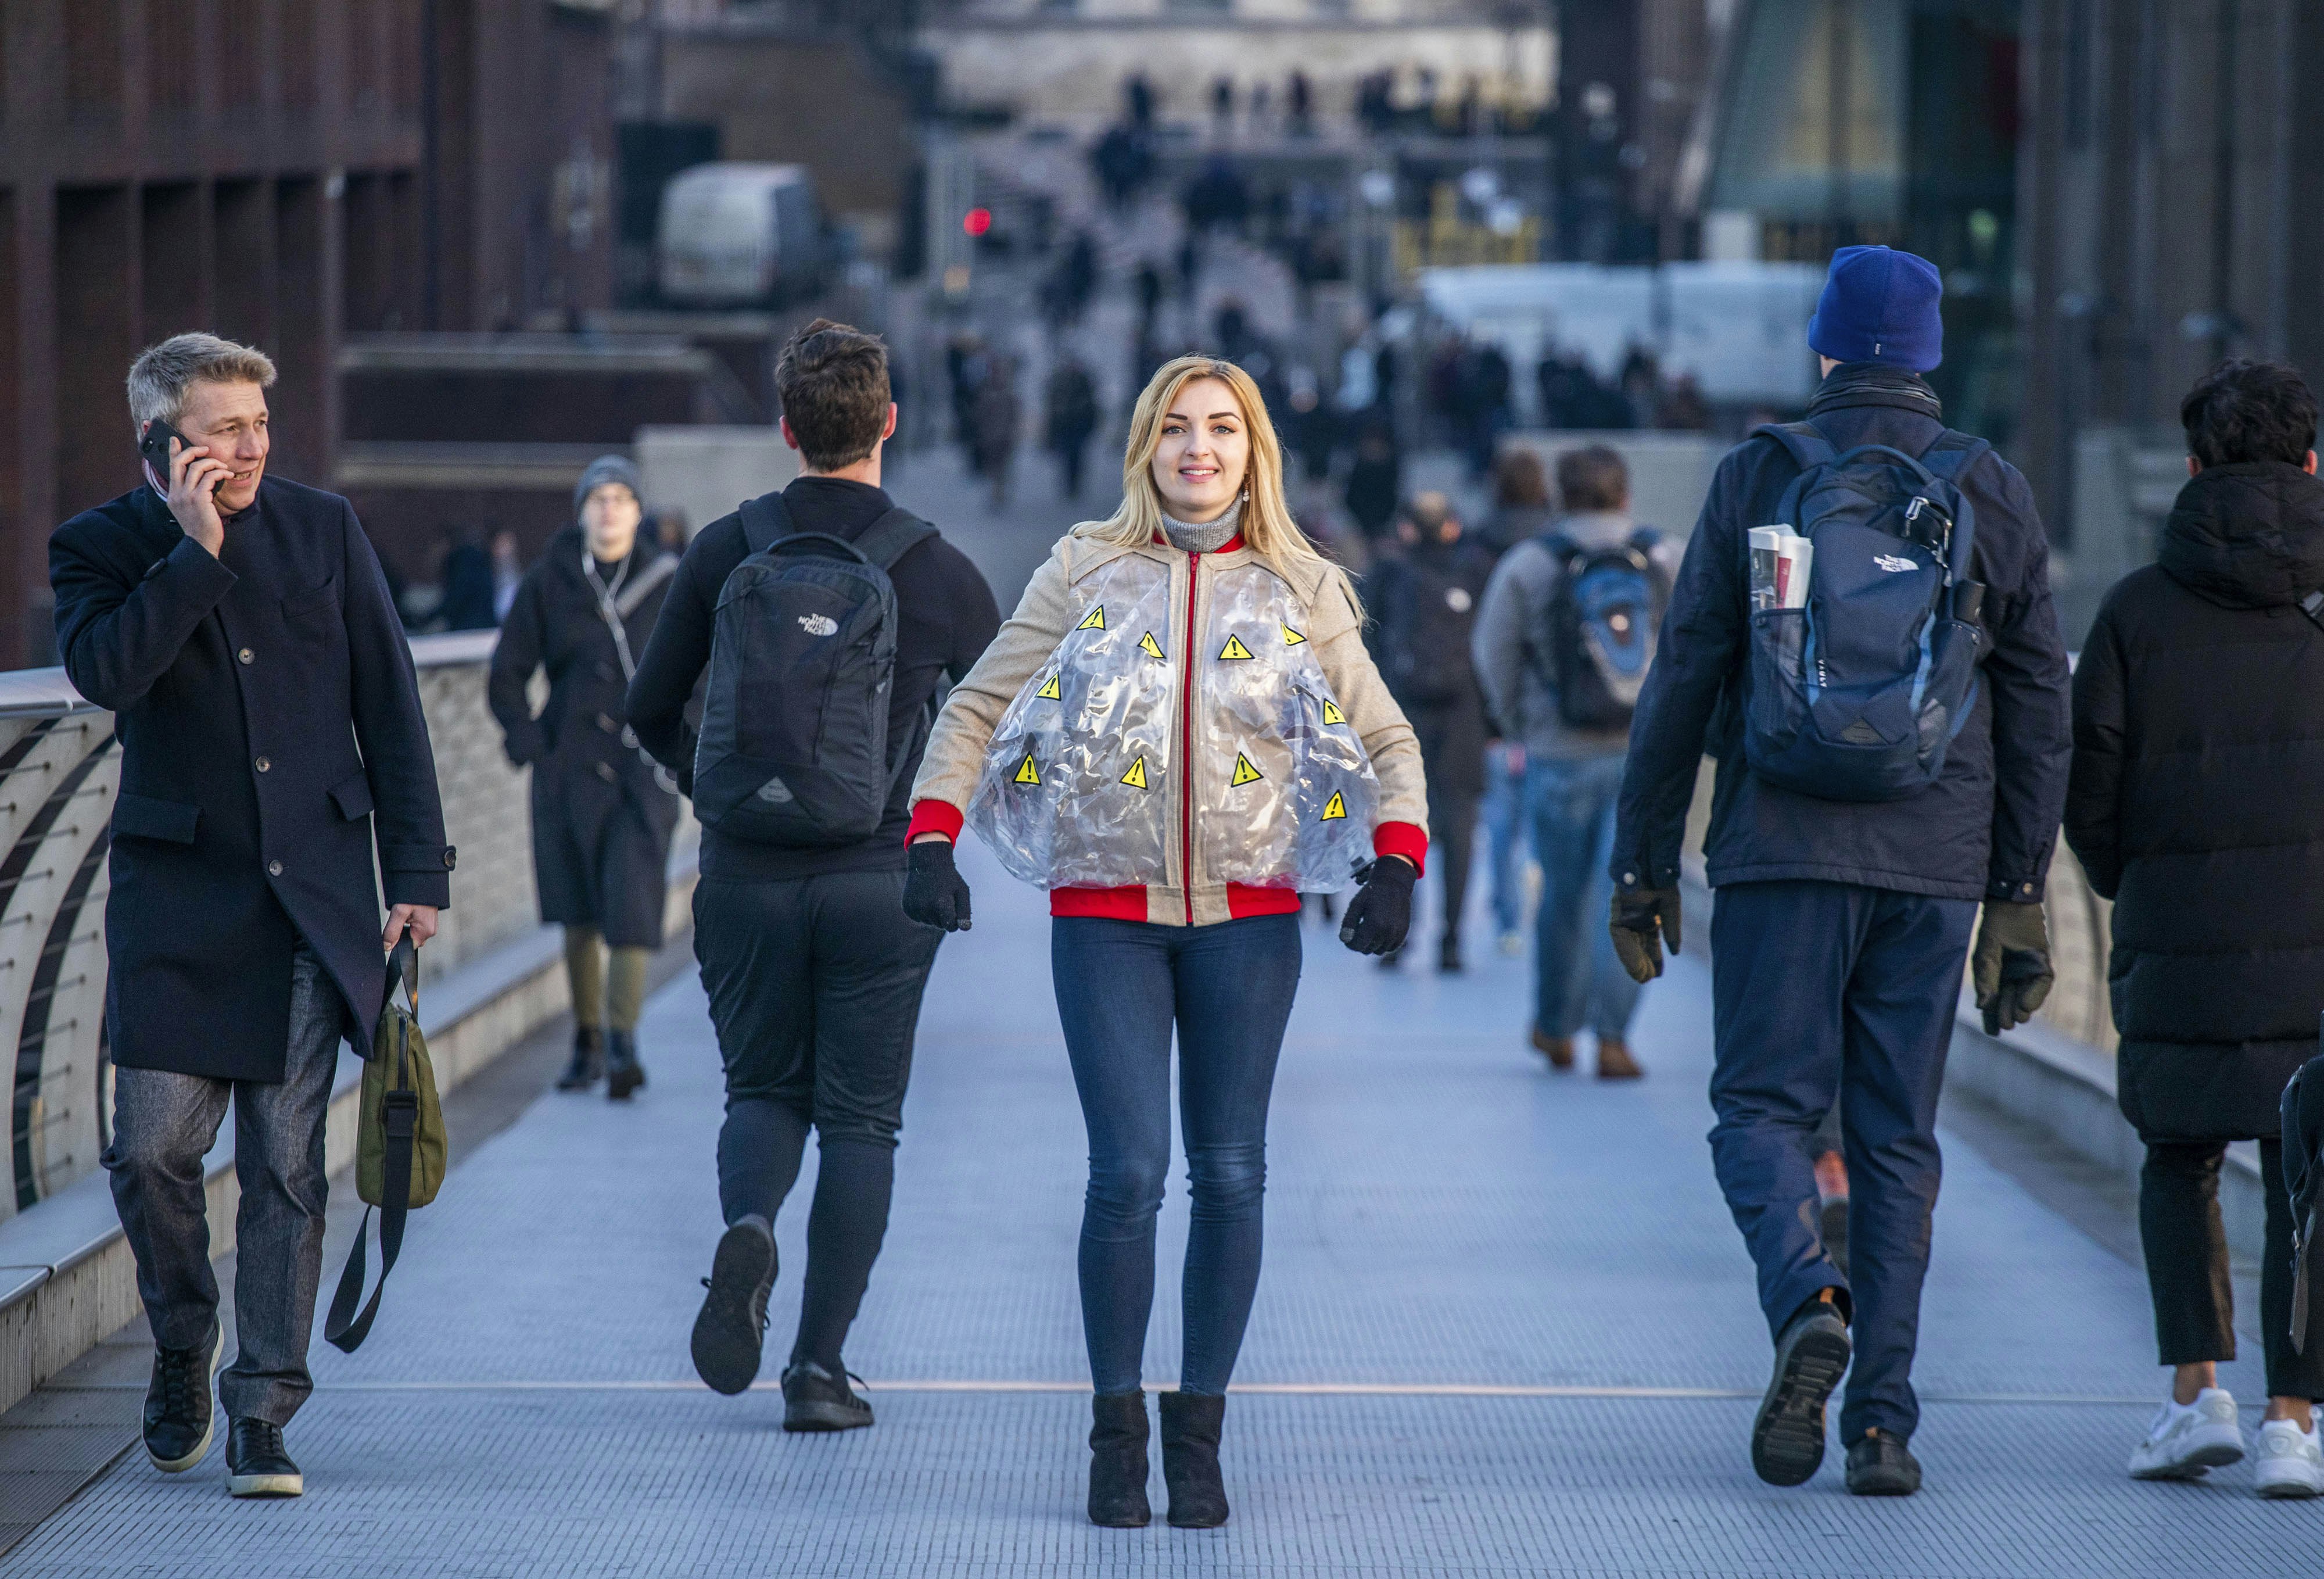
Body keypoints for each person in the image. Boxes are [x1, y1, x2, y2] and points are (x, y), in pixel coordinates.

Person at [900, 356, 1428, 1530]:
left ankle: (1200, 1431)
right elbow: (978, 701)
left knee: (1230, 1170)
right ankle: (1114, 1432)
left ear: (1254, 451)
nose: (1199, 448)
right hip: (1105, 913)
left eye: (1222, 430)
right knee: (1127, 1172)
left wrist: (1396, 855)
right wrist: (931, 832)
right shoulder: (1085, 565)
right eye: (1177, 428)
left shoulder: (1302, 583)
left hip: (1248, 917)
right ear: (1144, 445)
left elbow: (1387, 733)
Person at [1605, 246, 2071, 1496]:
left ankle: (1806, 1294)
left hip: (1776, 845)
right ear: (1925, 355)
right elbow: (2035, 706)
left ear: (1822, 349)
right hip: (1932, 859)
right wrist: (2017, 888)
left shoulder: (1760, 474)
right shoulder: (1988, 485)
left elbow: (1685, 671)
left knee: (1758, 1110)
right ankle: (1883, 1424)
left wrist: (1640, 860)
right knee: (1896, 1138)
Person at [52, 332, 453, 1498]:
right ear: (161, 443)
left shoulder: (326, 527)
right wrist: (193, 553)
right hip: (178, 903)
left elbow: (391, 693)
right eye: (226, 428)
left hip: (313, 899)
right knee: (152, 1151)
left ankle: (264, 1408)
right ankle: (185, 1336)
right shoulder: (101, 547)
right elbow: (107, 675)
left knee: (286, 1167)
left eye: (259, 426)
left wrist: (417, 869)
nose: (252, 447)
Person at [625, 320, 1000, 1432]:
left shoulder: (726, 549)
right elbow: (1011, 719)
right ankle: (818, 1371)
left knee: (763, 1092)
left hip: (743, 873)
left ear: (785, 429)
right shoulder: (936, 569)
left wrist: (715, 791)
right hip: (880, 878)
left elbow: (648, 706)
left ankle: (750, 1225)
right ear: (888, 421)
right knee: (863, 1123)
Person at [2065, 357, 2324, 1495]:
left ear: (2191, 466)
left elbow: (2092, 797)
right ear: (2310, 461)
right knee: (2303, 1175)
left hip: (2173, 936)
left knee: (2176, 1158)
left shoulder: (2132, 609)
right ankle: (2291, 1421)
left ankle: (2193, 1395)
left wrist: (2139, 883)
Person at [1473, 445, 1673, 1078]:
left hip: (1558, 754)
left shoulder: (1532, 562)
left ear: (1558, 499)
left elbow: (1493, 651)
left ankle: (1555, 1027)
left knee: (1561, 896)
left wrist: (1519, 724)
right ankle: (1613, 1039)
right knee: (1630, 896)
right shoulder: (1666, 556)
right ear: (1624, 495)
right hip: (1645, 758)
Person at [488, 456, 680, 1099]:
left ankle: (622, 1037)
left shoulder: (665, 582)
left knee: (632, 905)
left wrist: (682, 747)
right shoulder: (552, 579)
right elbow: (507, 673)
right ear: (581, 510)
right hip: (567, 770)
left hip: (640, 768)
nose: (609, 508)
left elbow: (696, 671)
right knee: (578, 913)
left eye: (622, 497)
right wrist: (532, 744)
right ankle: (587, 1037)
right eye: (598, 497)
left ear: (637, 509)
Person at [1367, 492, 1493, 971]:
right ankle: (1452, 941)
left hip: (1402, 714)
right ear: (1452, 527)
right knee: (1460, 826)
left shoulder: (1390, 572)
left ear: (1405, 529)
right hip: (1465, 718)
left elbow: (1367, 646)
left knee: (1401, 819)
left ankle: (1395, 936)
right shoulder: (1476, 571)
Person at [1045, 351, 1102, 500]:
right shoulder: (1058, 381)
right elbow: (1051, 404)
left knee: (1076, 455)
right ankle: (1069, 484)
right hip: (1064, 425)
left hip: (1078, 424)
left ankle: (1074, 484)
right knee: (1066, 455)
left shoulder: (1082, 381)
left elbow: (1091, 405)